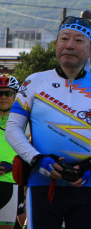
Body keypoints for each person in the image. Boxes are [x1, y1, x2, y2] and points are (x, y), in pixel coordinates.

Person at [6, 16, 91, 229]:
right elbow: (13, 128)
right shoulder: (34, 81)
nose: (69, 45)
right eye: (64, 38)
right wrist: (37, 159)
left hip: (86, 184)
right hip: (42, 183)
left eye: (78, 40)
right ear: (56, 44)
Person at [0, 75, 20, 227]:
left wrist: (15, 166)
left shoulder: (23, 119)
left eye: (7, 93)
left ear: (15, 95)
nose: (2, 97)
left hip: (11, 182)